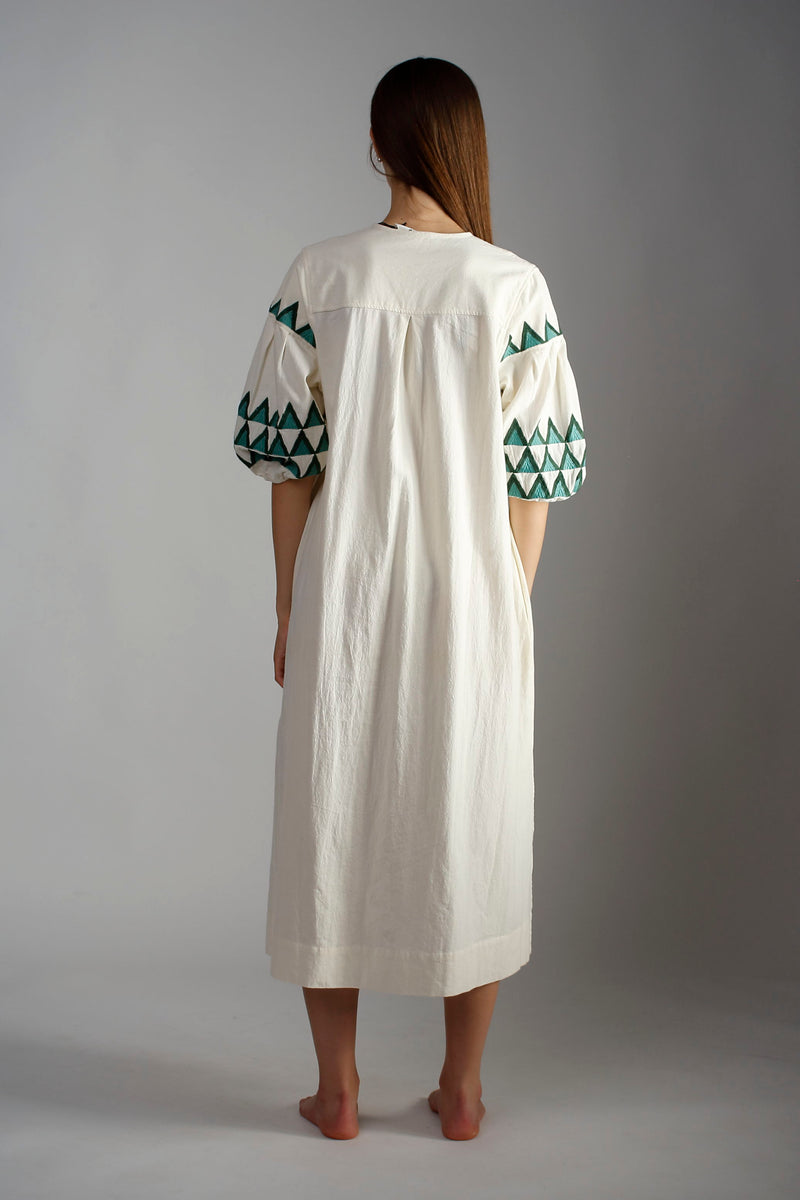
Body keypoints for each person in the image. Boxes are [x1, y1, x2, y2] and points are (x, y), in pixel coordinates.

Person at [233, 56, 588, 1141]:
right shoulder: (511, 287)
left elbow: (288, 465)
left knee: (328, 817)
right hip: (473, 600)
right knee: (468, 820)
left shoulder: (321, 273)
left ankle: (336, 1092)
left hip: (344, 590)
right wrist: (508, 608)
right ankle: (463, 1090)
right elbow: (538, 478)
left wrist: (289, 607)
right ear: (465, 146)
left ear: (378, 145)